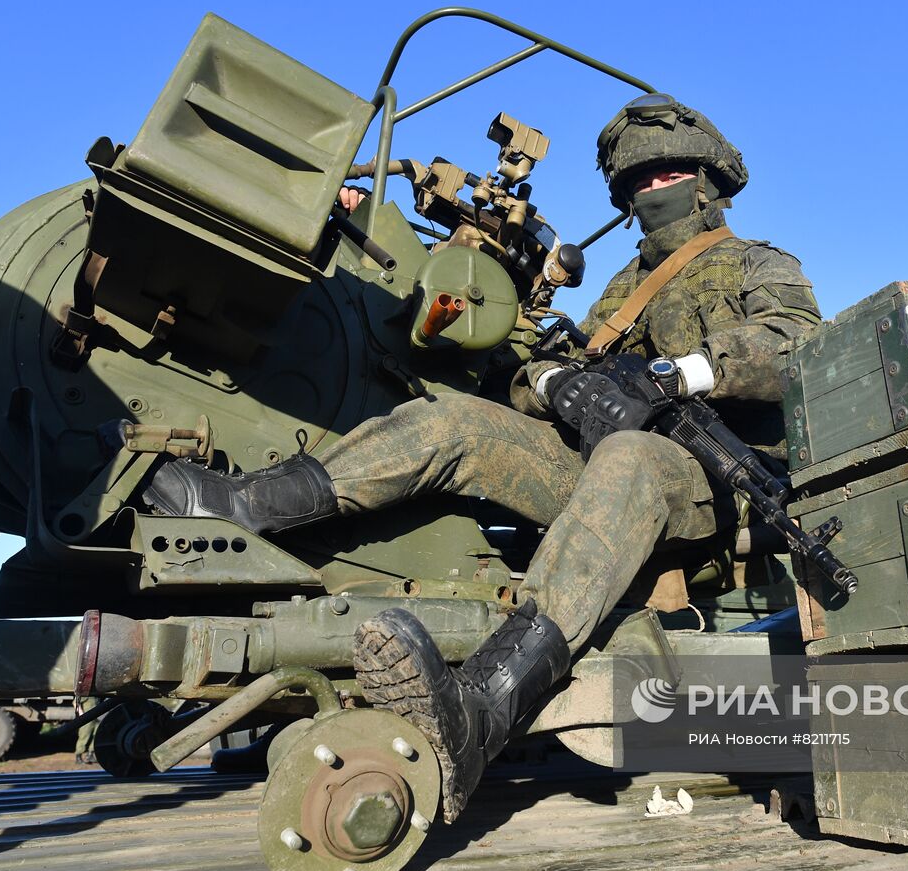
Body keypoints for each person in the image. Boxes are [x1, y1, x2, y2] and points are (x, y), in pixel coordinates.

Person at [141, 93, 822, 823]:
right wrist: (559, 383)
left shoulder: (756, 262)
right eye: (638, 183)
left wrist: (676, 374)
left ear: (709, 182)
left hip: (713, 482)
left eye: (669, 175)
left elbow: (794, 345)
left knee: (630, 457)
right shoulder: (623, 292)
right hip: (608, 472)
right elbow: (543, 369)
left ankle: (481, 711)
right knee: (460, 421)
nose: (654, 190)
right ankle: (245, 509)